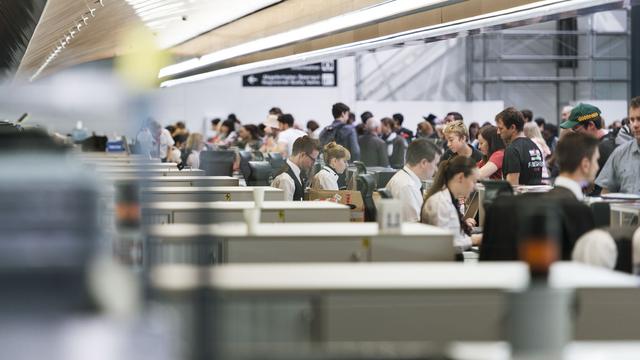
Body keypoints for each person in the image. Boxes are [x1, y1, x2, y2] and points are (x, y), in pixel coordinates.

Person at [545, 131, 599, 258]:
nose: (597, 167)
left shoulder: (542, 200)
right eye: (596, 160)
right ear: (585, 164)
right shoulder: (580, 210)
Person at [421, 156, 481, 253]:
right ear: (461, 177)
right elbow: (446, 244)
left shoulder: (448, 199)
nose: (475, 188)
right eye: (473, 182)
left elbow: (454, 235)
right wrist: (474, 240)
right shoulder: (441, 203)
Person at [559, 103, 617, 195]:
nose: (574, 135)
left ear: (590, 125)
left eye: (575, 129)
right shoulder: (604, 143)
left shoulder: (602, 149)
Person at [385, 138, 441, 222]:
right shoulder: (407, 186)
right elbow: (416, 226)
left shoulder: (405, 179)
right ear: (424, 163)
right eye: (435, 164)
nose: (436, 169)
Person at [595, 96, 640, 194]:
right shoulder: (619, 153)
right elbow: (606, 191)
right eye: (632, 120)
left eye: (639, 119)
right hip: (625, 209)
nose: (635, 125)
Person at [496, 107, 544, 186]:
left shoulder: (512, 150)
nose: (498, 132)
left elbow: (512, 187)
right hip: (536, 197)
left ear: (512, 128)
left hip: (521, 198)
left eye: (501, 128)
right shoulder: (534, 146)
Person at [271, 136, 321, 201]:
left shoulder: (297, 174)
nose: (313, 163)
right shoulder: (286, 179)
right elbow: (286, 209)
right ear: (302, 155)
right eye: (312, 159)